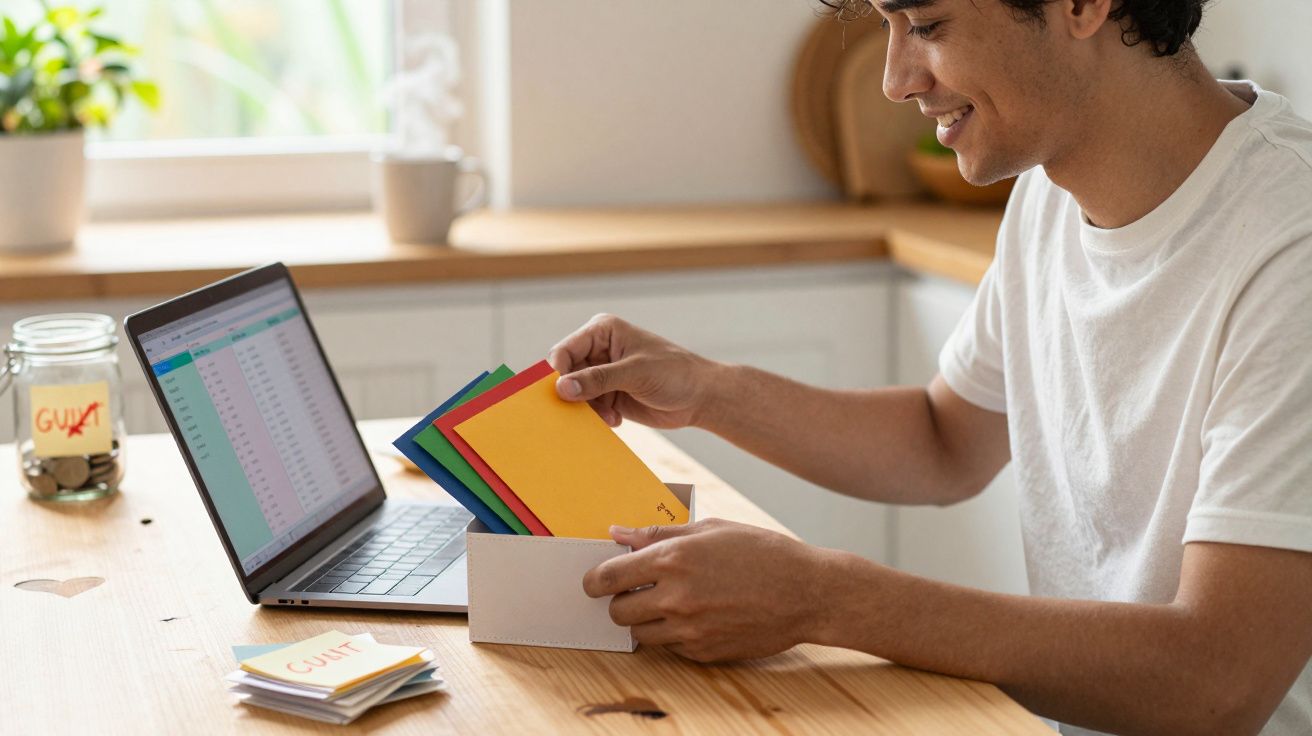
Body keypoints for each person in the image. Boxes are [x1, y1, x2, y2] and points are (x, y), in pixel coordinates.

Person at [544, 1, 1312, 734]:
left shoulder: (1290, 244)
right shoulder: (1049, 192)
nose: (895, 79)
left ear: (1082, 4)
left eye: (928, 25)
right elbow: (944, 440)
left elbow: (1217, 687)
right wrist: (705, 389)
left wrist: (825, 599)